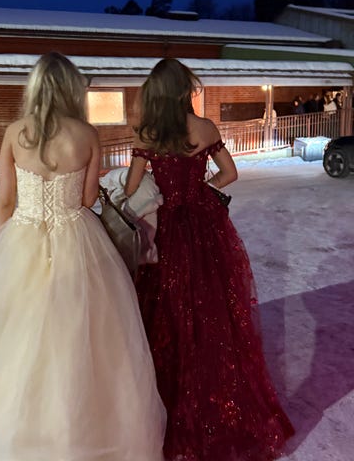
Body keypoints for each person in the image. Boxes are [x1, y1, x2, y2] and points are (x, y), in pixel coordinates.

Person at [0, 52, 166, 461]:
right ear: (71, 90)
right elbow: (87, 200)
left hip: (24, 238)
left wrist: (2, 253)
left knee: (15, 336)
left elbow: (5, 201)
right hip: (77, 238)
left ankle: (13, 434)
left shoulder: (15, 133)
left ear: (34, 88)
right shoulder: (86, 134)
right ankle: (85, 431)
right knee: (83, 335)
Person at [125, 58, 294, 461]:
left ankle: (165, 407)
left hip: (166, 230)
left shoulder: (151, 133)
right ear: (185, 90)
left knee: (164, 311)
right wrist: (203, 189)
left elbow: (131, 188)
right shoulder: (205, 128)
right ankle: (217, 402)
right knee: (212, 311)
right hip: (204, 228)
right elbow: (230, 173)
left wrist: (155, 186)